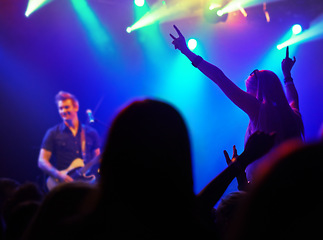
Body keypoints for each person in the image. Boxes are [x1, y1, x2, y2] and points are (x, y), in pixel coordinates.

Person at [170, 25, 304, 181]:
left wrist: (186, 52)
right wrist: (287, 75)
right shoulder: (294, 116)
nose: (246, 95)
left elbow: (220, 78)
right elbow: (293, 99)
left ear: (260, 91)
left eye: (248, 90)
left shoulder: (257, 110)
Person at [38, 91, 101, 190]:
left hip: (87, 185)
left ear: (76, 107)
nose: (63, 111)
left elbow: (97, 158)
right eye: (60, 108)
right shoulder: (53, 133)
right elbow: (42, 161)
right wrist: (59, 175)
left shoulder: (91, 133)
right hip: (64, 186)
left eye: (66, 107)